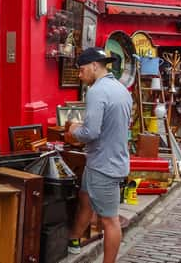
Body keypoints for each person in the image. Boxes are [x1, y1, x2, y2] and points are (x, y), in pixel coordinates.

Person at [66, 47, 132, 263]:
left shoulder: (96, 91)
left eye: (82, 69)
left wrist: (74, 129)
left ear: (95, 66)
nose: (79, 74)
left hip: (103, 165)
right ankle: (74, 239)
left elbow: (90, 132)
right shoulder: (120, 88)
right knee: (85, 198)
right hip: (112, 159)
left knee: (109, 221)